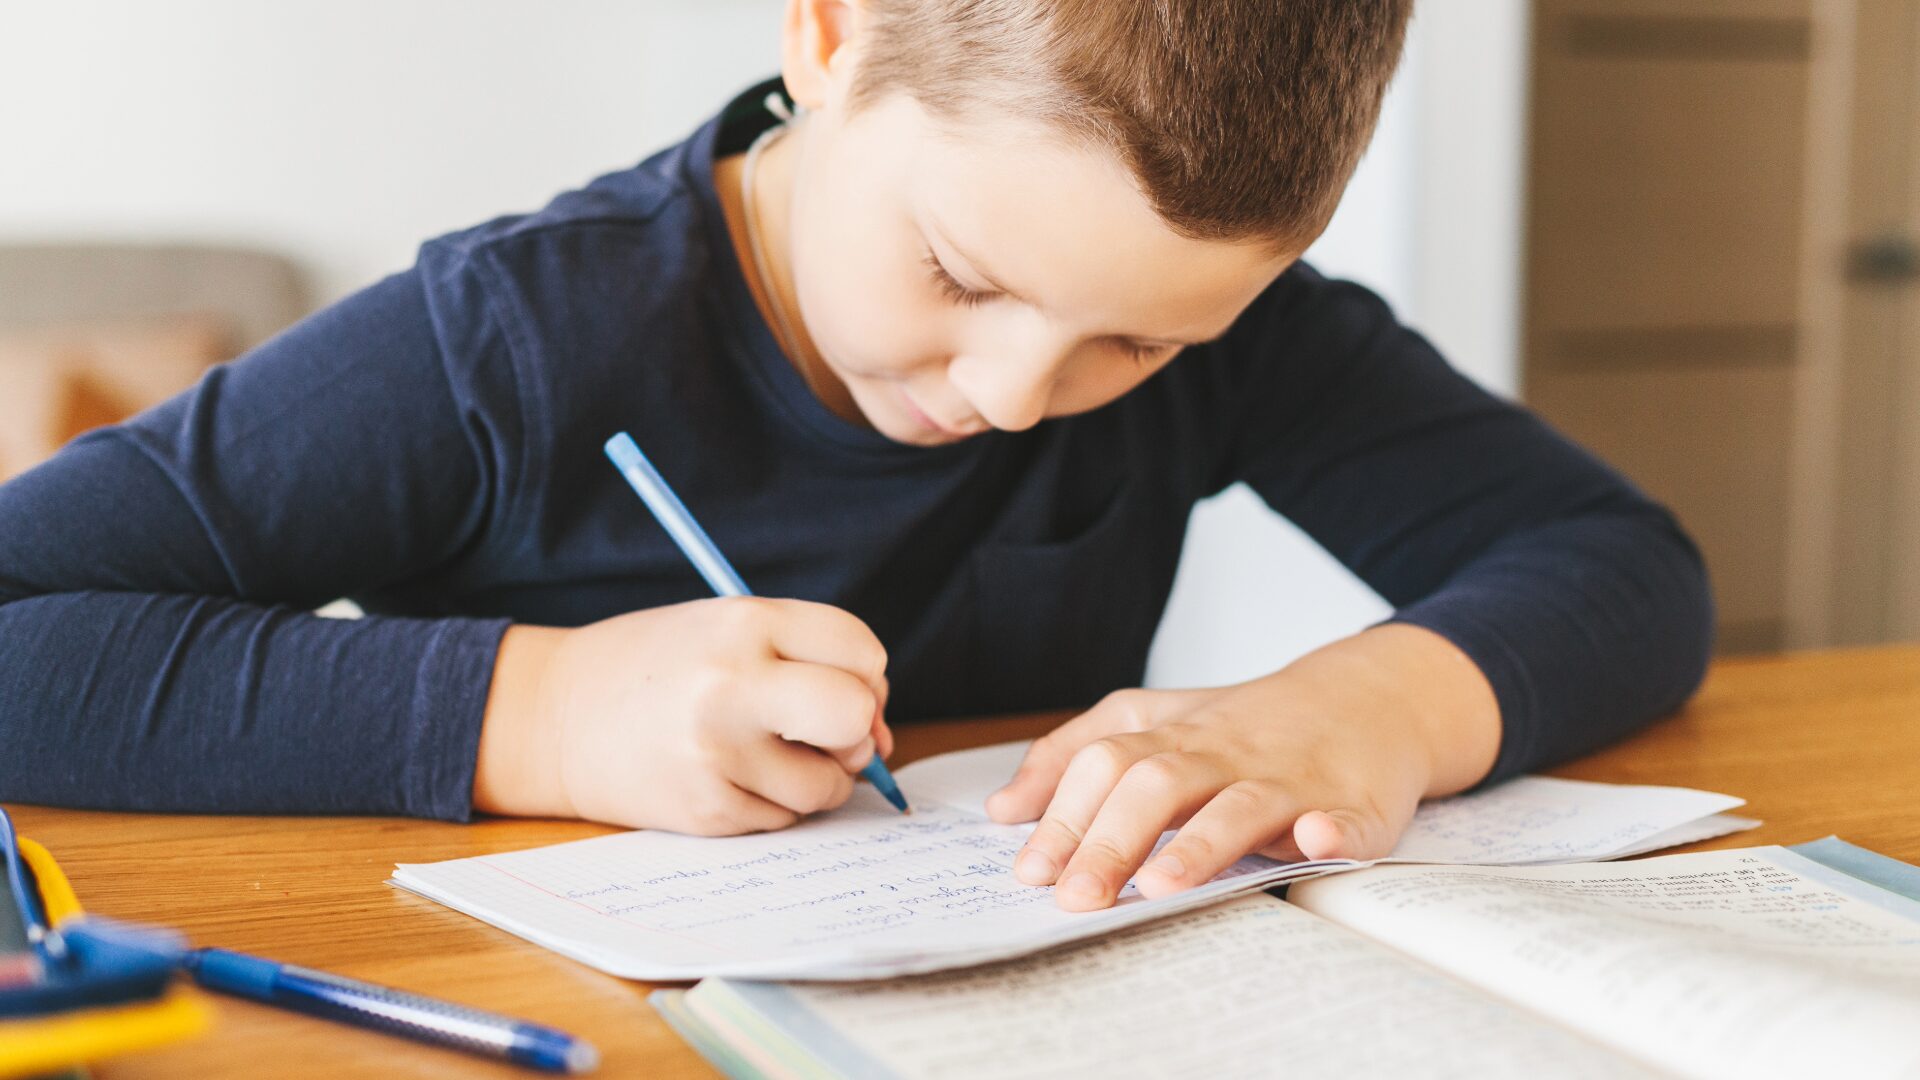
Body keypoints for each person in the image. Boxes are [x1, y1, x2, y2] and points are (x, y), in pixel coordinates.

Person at [0, 0, 1711, 913]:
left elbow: (1624, 565)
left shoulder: (1241, 327)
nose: (1025, 391)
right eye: (964, 277)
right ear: (829, 35)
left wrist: (1367, 711)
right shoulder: (505, 340)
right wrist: (539, 714)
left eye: (1144, 345)